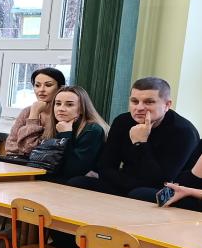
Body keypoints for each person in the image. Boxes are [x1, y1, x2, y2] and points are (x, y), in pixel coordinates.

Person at [67, 77, 198, 197]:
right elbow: (105, 167)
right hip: (127, 183)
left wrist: (140, 143)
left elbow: (161, 180)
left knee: (139, 193)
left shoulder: (183, 131)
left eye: (149, 102)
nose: (139, 108)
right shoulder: (122, 121)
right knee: (77, 183)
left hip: (167, 192)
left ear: (167, 105)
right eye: (134, 101)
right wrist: (128, 184)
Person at [42, 86, 109, 183]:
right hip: (60, 177)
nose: (61, 109)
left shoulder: (92, 130)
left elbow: (74, 170)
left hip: (82, 181)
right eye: (58, 104)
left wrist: (65, 134)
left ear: (81, 109)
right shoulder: (57, 125)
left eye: (69, 105)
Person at [4, 68, 66, 156]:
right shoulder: (27, 111)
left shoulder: (63, 113)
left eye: (48, 85)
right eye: (37, 85)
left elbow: (30, 149)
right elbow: (10, 146)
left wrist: (34, 115)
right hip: (20, 162)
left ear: (60, 88)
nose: (41, 90)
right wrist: (34, 112)